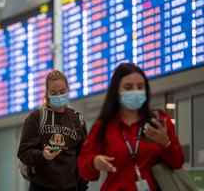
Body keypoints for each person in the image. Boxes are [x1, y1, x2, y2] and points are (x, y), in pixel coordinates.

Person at [78, 63, 184, 191]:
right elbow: (84, 168)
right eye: (128, 87)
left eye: (140, 87)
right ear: (116, 91)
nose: (135, 91)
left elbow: (177, 163)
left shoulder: (159, 121)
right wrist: (94, 162)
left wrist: (166, 143)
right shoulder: (104, 126)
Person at [18, 70, 88, 191]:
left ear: (68, 90)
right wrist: (42, 155)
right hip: (41, 186)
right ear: (47, 93)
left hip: (71, 186)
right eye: (54, 93)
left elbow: (83, 156)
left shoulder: (77, 119)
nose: (58, 96)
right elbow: (23, 152)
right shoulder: (37, 117)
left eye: (62, 92)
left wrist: (82, 186)